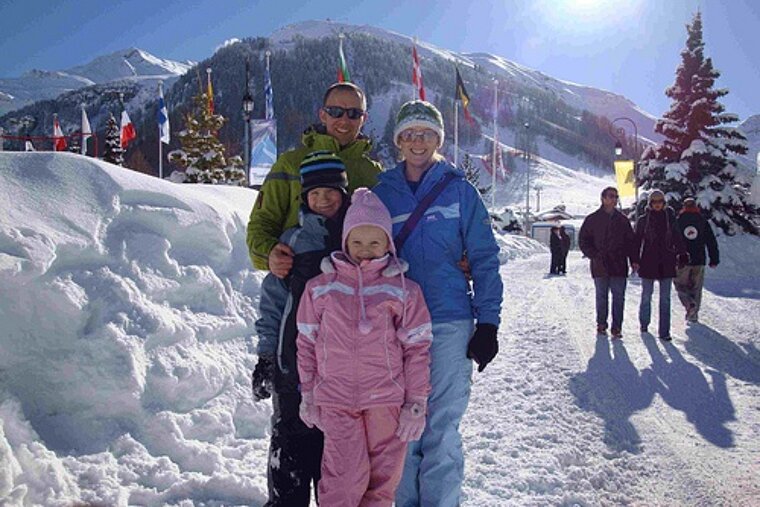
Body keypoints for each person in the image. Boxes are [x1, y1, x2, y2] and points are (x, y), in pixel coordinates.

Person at [372, 100, 504, 507]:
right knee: (401, 428)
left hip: (449, 322)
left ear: (438, 140)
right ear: (398, 141)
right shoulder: (382, 194)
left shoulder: (460, 191)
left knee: (441, 427)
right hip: (396, 325)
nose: (417, 142)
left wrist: (488, 323)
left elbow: (483, 256)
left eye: (426, 134)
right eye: (409, 134)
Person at [296, 188, 433, 506]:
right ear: (345, 241)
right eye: (357, 242)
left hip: (386, 400)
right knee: (343, 479)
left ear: (388, 243)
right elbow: (306, 342)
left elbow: (417, 350)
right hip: (336, 398)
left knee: (382, 484)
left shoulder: (403, 291)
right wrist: (308, 392)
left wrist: (416, 402)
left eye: (375, 242)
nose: (366, 250)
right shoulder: (321, 288)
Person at [250, 151, 352, 506]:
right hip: (291, 365)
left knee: (334, 458)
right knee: (290, 448)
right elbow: (273, 303)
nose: (323, 200)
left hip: (341, 373)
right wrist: (266, 355)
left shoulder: (356, 242)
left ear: (344, 192)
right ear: (304, 198)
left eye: (331, 192)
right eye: (315, 194)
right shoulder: (292, 242)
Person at [247, 81, 382, 279]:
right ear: (323, 114)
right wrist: (270, 254)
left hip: (357, 287)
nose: (344, 120)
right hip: (299, 280)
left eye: (353, 113)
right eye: (336, 111)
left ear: (364, 119)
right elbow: (261, 223)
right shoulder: (290, 164)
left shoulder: (373, 173)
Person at [578, 186, 639, 339]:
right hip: (600, 265)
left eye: (615, 196)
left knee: (619, 298)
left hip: (619, 265)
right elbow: (583, 240)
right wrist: (593, 255)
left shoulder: (623, 220)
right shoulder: (592, 219)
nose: (613, 199)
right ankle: (601, 324)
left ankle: (617, 327)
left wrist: (634, 260)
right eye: (610, 196)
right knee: (601, 296)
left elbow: (631, 243)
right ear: (603, 198)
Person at [634, 190, 688, 341]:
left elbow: (677, 236)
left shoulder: (670, 219)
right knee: (646, 296)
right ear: (650, 204)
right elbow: (637, 240)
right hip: (648, 262)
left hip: (666, 261)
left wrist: (682, 253)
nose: (657, 205)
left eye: (660, 202)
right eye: (654, 202)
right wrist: (635, 258)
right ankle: (644, 324)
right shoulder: (644, 220)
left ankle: (664, 331)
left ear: (664, 203)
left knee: (665, 299)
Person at [674, 197, 719, 323]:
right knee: (696, 289)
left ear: (684, 206)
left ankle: (688, 304)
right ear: (696, 206)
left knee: (680, 285)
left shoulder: (678, 221)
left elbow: (672, 240)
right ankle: (693, 316)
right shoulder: (702, 221)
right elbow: (711, 241)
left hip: (682, 261)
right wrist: (714, 259)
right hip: (699, 260)